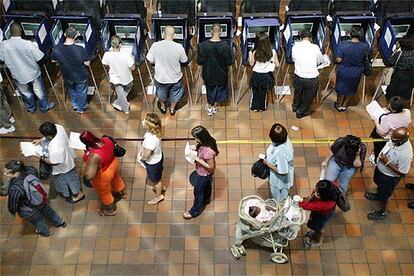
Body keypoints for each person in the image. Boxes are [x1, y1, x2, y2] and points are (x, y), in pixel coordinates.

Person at [0, 22, 54, 113]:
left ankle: (31, 108)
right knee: (39, 92)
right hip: (33, 73)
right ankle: (44, 107)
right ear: (21, 31)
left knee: (26, 93)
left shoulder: (3, 45)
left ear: (10, 32)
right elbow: (40, 57)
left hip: (17, 75)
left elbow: (1, 60)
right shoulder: (27, 44)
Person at [4, 160, 67, 237]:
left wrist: (13, 211)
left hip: (27, 206)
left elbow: (13, 203)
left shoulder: (15, 188)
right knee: (48, 210)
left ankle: (45, 232)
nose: (5, 174)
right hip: (39, 197)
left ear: (16, 173)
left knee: (37, 220)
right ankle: (60, 222)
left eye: (8, 173)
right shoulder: (31, 169)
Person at [365, 127, 413, 220]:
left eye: (394, 139)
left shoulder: (406, 154)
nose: (391, 140)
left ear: (402, 141)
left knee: (385, 196)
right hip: (381, 169)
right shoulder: (395, 140)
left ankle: (382, 211)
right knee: (377, 182)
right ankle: (378, 195)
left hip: (389, 177)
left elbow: (402, 172)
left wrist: (386, 162)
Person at [32, 122, 84, 203]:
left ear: (49, 136)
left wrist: (40, 157)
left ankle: (78, 194)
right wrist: (40, 140)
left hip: (64, 167)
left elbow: (54, 162)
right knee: (69, 179)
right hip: (67, 157)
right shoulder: (59, 127)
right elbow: (49, 136)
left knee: (70, 180)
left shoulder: (56, 148)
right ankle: (69, 192)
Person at [80, 130, 127, 216]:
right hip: (113, 164)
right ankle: (122, 194)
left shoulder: (94, 155)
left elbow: (90, 175)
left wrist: (85, 177)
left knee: (104, 192)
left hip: (104, 174)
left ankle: (110, 210)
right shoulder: (106, 139)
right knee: (116, 179)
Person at [146, 26, 188, 116]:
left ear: (163, 34)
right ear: (175, 35)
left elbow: (150, 59)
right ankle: (172, 109)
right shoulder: (179, 47)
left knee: (161, 94)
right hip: (175, 78)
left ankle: (163, 107)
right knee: (176, 94)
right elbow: (184, 60)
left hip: (161, 78)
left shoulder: (155, 45)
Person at [197, 23, 234, 116]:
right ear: (221, 32)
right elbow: (229, 62)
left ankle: (210, 106)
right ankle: (215, 105)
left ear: (211, 32)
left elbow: (199, 61)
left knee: (210, 90)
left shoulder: (203, 45)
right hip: (222, 74)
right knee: (219, 89)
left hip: (208, 73)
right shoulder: (226, 45)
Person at [51, 27, 90, 114]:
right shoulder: (80, 49)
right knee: (82, 91)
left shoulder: (57, 48)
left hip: (66, 74)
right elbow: (87, 63)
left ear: (64, 35)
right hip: (80, 75)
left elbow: (53, 60)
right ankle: (81, 108)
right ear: (76, 36)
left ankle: (74, 104)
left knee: (71, 89)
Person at [183, 126, 218, 219]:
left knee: (198, 192)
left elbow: (210, 166)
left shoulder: (208, 152)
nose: (195, 140)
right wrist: (196, 147)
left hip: (203, 174)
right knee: (207, 186)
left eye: (196, 138)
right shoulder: (209, 141)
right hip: (206, 174)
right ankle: (206, 200)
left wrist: (197, 159)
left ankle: (194, 211)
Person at [334, 26, 369, 111]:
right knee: (351, 88)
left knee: (341, 89)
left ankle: (339, 105)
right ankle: (344, 105)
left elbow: (339, 60)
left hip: (344, 71)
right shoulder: (365, 46)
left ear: (350, 34)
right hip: (357, 72)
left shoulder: (343, 45)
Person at [291, 29, 323, 118]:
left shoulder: (295, 46)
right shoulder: (315, 47)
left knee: (298, 93)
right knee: (308, 98)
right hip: (312, 79)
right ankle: (301, 112)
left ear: (300, 38)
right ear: (311, 38)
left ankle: (295, 106)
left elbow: (293, 59)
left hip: (298, 76)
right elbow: (320, 61)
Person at [369, 96, 411, 163]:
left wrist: (375, 120)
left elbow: (382, 132)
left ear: (393, 109)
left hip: (385, 138)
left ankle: (376, 160)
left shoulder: (388, 119)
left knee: (379, 149)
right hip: (398, 137)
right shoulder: (407, 112)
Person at [102, 35, 136, 114]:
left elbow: (105, 64)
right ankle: (126, 109)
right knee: (127, 88)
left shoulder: (107, 54)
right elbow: (133, 68)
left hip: (115, 78)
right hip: (126, 78)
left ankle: (117, 103)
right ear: (120, 45)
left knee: (120, 93)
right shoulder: (126, 56)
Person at [300, 180, 338, 247]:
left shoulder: (323, 204)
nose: (315, 192)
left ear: (324, 196)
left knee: (319, 227)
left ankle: (318, 240)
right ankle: (315, 233)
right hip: (323, 212)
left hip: (322, 216)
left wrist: (310, 197)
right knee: (316, 226)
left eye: (317, 193)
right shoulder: (331, 188)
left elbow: (304, 206)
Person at [137, 113, 165, 205]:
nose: (142, 121)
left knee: (156, 180)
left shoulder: (150, 142)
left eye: (145, 120)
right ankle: (160, 187)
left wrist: (140, 158)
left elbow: (146, 156)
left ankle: (158, 196)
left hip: (153, 164)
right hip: (158, 157)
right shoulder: (154, 132)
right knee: (158, 177)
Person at [262, 123, 294, 202]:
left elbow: (283, 171)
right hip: (281, 174)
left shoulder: (280, 152)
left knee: (279, 199)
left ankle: (278, 210)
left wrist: (267, 163)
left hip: (280, 181)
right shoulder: (285, 138)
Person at [248, 32, 279, 111]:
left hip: (256, 75)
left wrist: (250, 54)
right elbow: (278, 64)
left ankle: (254, 107)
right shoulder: (273, 52)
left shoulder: (255, 52)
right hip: (267, 76)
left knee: (255, 92)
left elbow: (251, 64)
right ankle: (262, 107)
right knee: (264, 93)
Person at [385, 35, 414, 102]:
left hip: (397, 79)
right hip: (410, 80)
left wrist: (396, 49)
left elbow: (390, 62)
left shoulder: (399, 54)